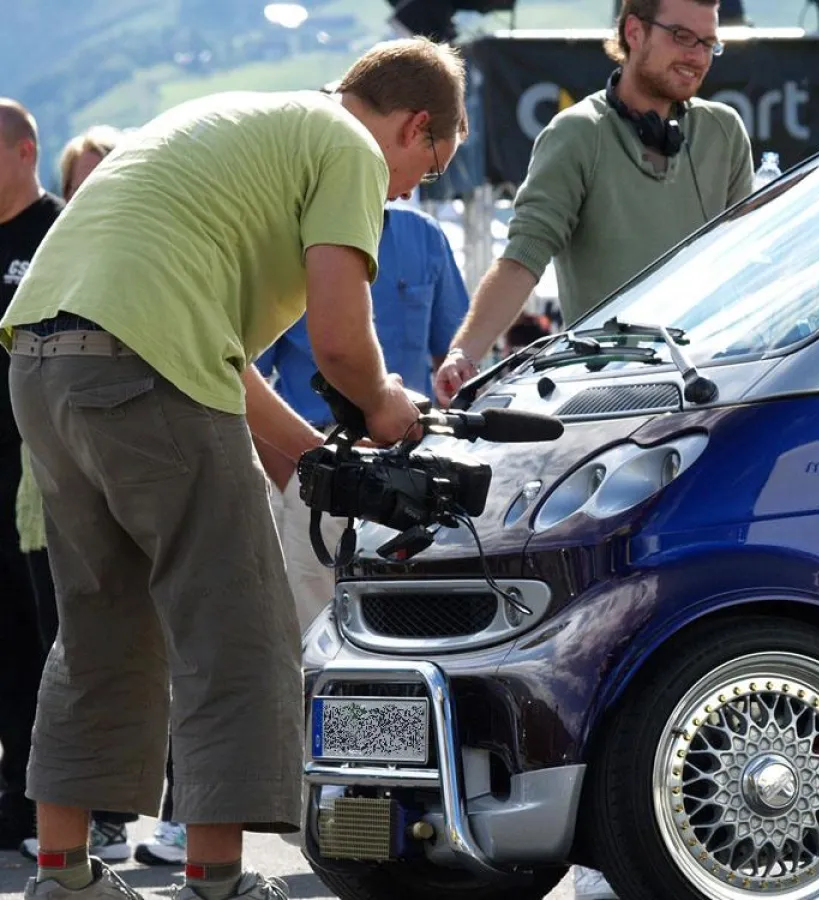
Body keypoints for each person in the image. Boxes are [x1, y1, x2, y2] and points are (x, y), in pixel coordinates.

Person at [0, 34, 466, 900]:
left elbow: (220, 362)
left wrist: (305, 459)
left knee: (100, 627)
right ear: (416, 127)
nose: (410, 192)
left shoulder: (241, 123)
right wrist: (385, 406)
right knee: (235, 630)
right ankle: (217, 883)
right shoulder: (351, 148)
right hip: (144, 363)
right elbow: (338, 339)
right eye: (430, 169)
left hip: (41, 358)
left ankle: (63, 879)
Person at [433, 0, 753, 408]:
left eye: (709, 43)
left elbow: (745, 265)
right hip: (610, 397)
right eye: (682, 37)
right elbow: (523, 258)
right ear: (634, 32)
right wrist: (465, 354)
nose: (697, 56)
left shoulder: (724, 131)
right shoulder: (577, 133)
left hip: (715, 386)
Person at [13, 123, 141, 865]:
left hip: (122, 466)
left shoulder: (132, 251)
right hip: (44, 480)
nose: (96, 189)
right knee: (62, 642)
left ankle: (117, 815)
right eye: (84, 177)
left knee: (116, 638)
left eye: (108, 173)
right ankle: (68, 828)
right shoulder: (59, 253)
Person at [254, 199, 469, 630]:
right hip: (320, 465)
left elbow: (458, 360)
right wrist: (302, 483)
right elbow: (243, 382)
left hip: (417, 468)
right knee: (316, 635)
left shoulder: (425, 235)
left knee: (413, 627)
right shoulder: (286, 243)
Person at [0, 98, 61, 855]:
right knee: (8, 647)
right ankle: (14, 796)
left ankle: (74, 803)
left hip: (43, 477)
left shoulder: (60, 231)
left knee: (56, 643)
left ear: (23, 151)